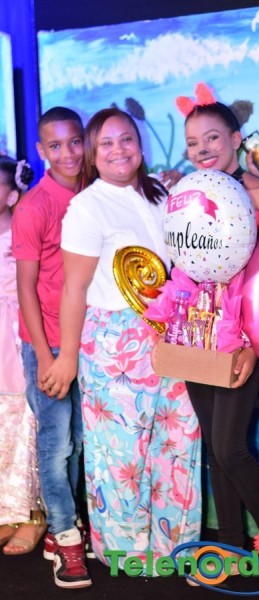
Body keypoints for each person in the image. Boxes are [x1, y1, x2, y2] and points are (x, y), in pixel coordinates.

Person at [41, 107, 202, 572]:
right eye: (106, 143)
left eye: (126, 139)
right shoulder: (87, 207)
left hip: (170, 333)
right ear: (93, 155)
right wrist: (67, 356)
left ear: (140, 143)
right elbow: (74, 289)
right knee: (121, 453)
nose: (118, 150)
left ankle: (177, 549)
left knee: (178, 441)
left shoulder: (161, 193)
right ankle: (128, 556)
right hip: (114, 342)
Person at [173, 84, 259, 600]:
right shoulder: (185, 198)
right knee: (215, 448)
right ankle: (230, 551)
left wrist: (251, 344)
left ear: (235, 138)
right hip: (196, 336)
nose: (202, 149)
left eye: (212, 137)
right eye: (192, 142)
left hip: (243, 338)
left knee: (231, 447)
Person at [11, 107, 92, 589]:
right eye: (55, 145)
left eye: (75, 142)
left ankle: (66, 523)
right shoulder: (33, 207)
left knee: (78, 442)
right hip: (49, 343)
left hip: (89, 341)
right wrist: (45, 356)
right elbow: (25, 288)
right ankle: (64, 536)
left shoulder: (95, 193)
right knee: (55, 444)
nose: (68, 153)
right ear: (42, 151)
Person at [0, 156, 46, 555]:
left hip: (17, 336)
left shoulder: (21, 234)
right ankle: (6, 511)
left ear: (13, 195)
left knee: (26, 422)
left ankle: (33, 515)